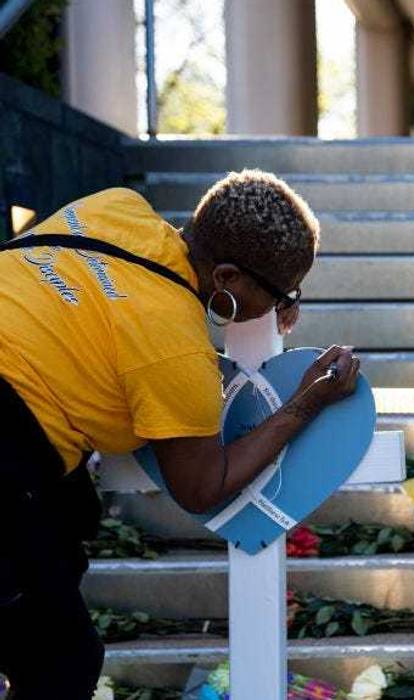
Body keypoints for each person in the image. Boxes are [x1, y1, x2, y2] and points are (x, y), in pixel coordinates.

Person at [0, 171, 361, 698]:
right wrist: (305, 403)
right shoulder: (177, 349)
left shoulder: (113, 204)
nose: (286, 309)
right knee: (61, 663)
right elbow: (201, 484)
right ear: (229, 279)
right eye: (283, 295)